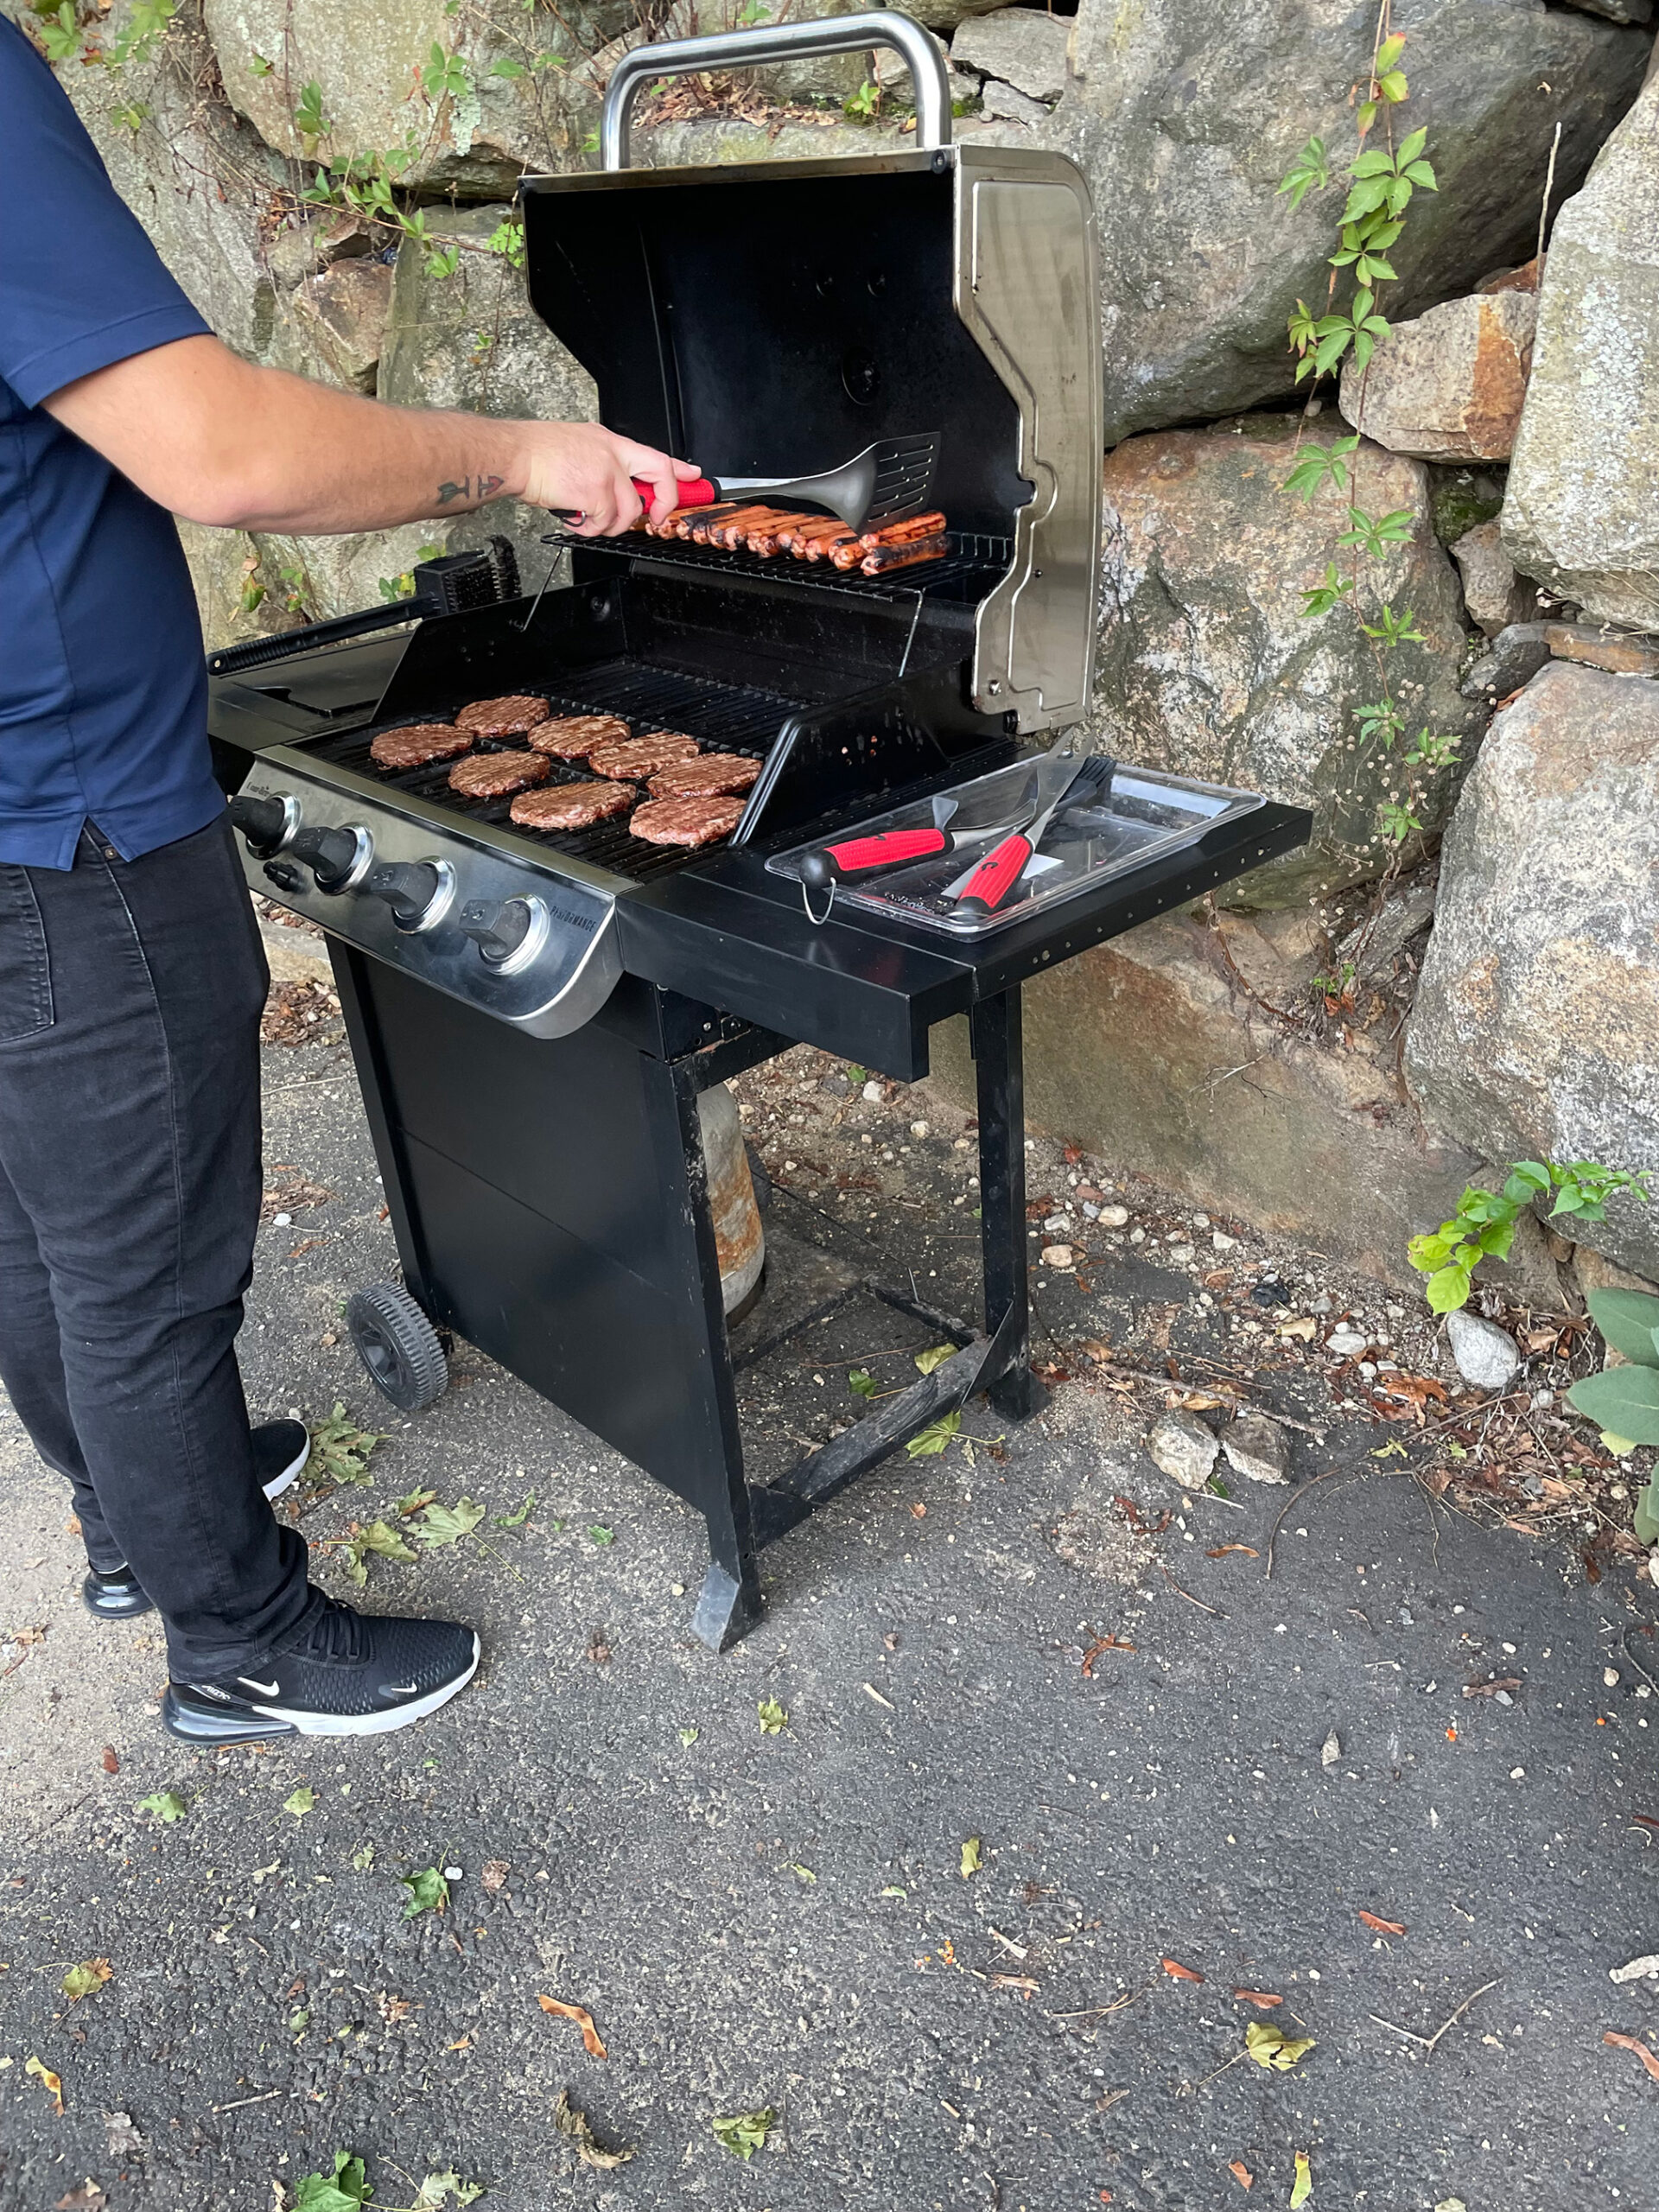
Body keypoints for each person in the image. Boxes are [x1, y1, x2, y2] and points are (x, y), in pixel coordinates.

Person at [0, 16, 695, 1744]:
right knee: (141, 1266)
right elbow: (217, 449)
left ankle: (126, 1519)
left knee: (36, 1217)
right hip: (67, 813)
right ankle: (233, 1637)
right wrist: (528, 454)